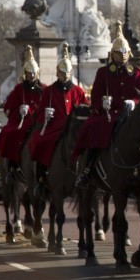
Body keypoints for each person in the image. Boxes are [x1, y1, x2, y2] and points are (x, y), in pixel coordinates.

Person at [74, 23, 140, 188]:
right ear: (112, 54)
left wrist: (134, 102)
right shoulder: (103, 73)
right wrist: (102, 103)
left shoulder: (136, 73)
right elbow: (95, 96)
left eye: (125, 53)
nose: (122, 56)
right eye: (118, 53)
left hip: (131, 114)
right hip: (109, 113)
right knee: (93, 127)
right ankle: (87, 169)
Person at [29, 43, 88, 198]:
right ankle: (41, 178)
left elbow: (85, 109)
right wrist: (45, 116)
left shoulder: (78, 91)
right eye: (62, 72)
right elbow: (39, 113)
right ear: (57, 72)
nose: (65, 75)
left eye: (67, 72)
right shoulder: (48, 91)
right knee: (41, 143)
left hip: (73, 128)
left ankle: (88, 175)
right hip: (55, 127)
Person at [0, 46, 46, 181]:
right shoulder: (19, 89)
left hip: (39, 122)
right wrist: (19, 111)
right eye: (29, 73)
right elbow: (8, 108)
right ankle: (12, 166)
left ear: (37, 73)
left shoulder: (44, 89)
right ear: (25, 73)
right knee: (11, 133)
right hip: (22, 121)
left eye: (34, 73)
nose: (31, 75)